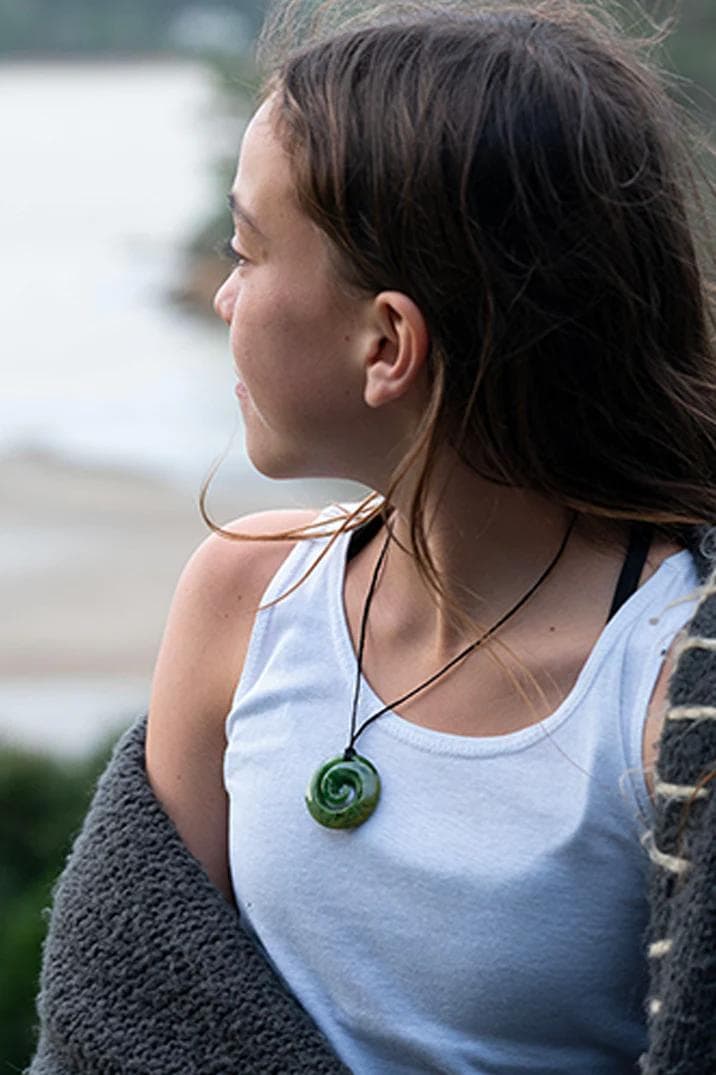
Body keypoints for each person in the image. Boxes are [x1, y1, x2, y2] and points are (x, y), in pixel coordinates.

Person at [30, 2, 715, 1073]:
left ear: (387, 341)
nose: (219, 296)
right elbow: (125, 1014)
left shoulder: (675, 686)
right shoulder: (240, 599)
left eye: (245, 250)